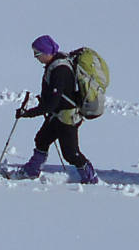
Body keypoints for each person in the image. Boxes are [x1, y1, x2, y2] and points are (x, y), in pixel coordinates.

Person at [12, 35, 98, 184]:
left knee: (71, 153)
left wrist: (29, 113)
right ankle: (32, 170)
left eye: (37, 53)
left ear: (47, 52)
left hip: (67, 117)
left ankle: (90, 177)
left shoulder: (60, 70)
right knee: (41, 139)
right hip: (58, 115)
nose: (35, 57)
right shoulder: (56, 64)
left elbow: (52, 103)